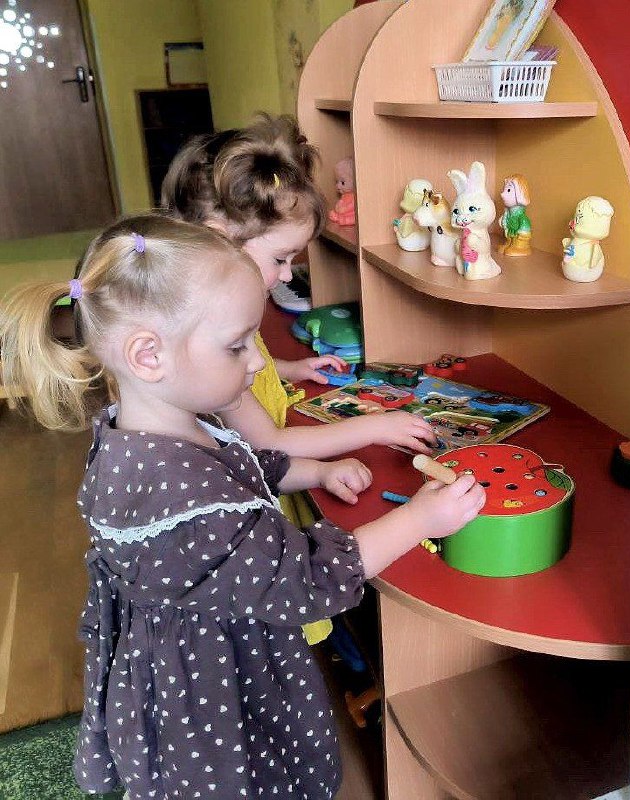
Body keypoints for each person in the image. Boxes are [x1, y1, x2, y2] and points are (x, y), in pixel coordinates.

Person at [0, 214, 485, 799]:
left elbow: (242, 467)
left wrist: (318, 471)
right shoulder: (176, 495)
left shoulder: (153, 427)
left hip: (188, 649)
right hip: (213, 679)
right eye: (236, 346)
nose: (256, 362)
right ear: (148, 356)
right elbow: (305, 581)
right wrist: (419, 519)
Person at [161, 114, 438, 645]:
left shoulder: (218, 325)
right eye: (280, 258)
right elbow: (269, 443)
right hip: (251, 517)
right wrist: (377, 425)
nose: (288, 274)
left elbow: (255, 372)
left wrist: (290, 368)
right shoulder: (207, 359)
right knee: (277, 615)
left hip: (273, 480)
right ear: (220, 242)